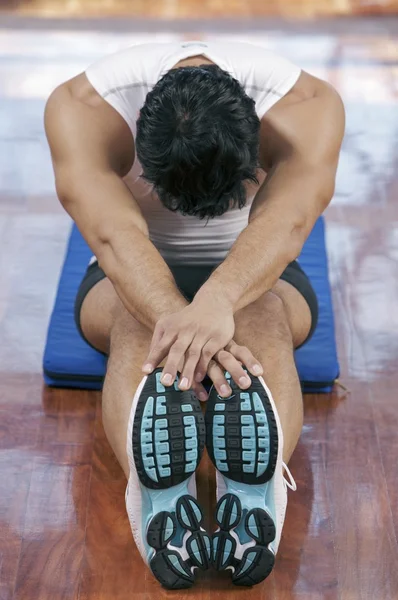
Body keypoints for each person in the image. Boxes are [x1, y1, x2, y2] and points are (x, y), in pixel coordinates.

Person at [44, 39, 344, 589]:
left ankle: (257, 493)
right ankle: (158, 494)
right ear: (138, 134)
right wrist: (189, 325)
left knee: (266, 315)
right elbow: (115, 237)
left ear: (256, 136)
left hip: (261, 272)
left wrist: (219, 304)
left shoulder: (306, 106)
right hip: (128, 272)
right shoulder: (82, 110)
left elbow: (287, 224)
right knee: (140, 327)